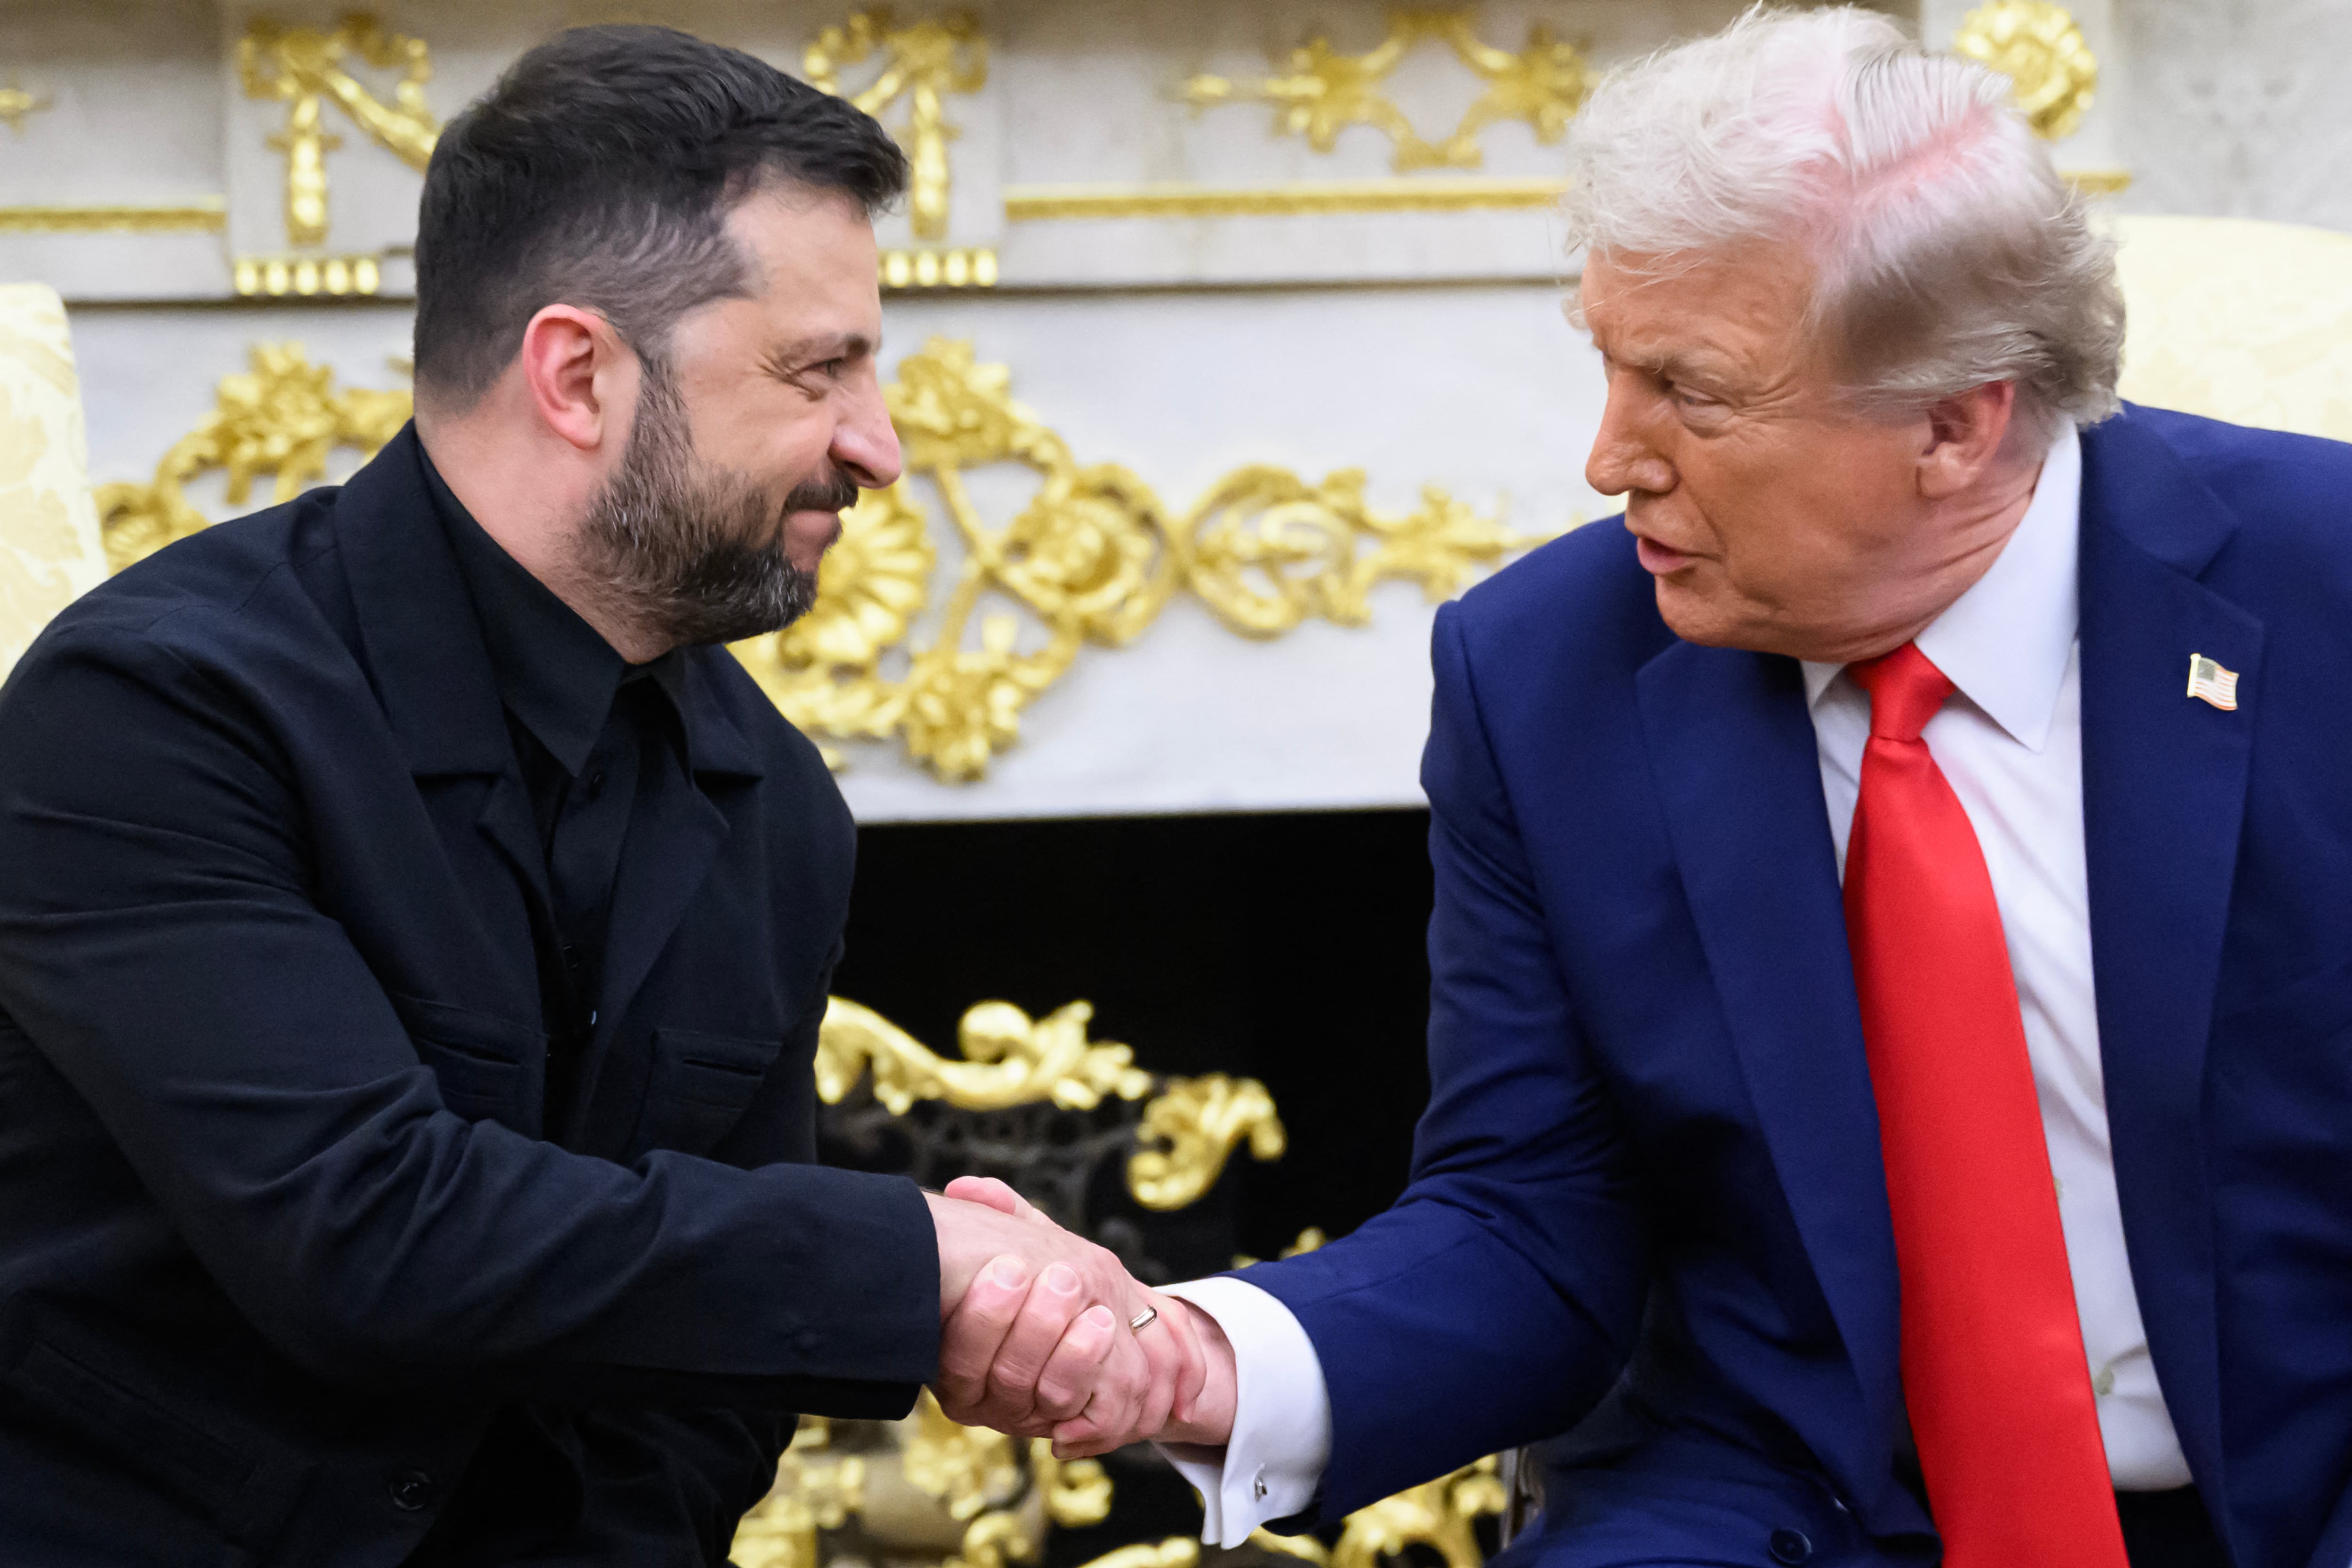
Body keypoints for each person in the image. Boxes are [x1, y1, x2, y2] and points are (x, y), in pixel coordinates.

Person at [972, 8, 2352, 1567]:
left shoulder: (2324, 600)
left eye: (1689, 394)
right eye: (1608, 368)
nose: (1609, 456)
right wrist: (1197, 1354)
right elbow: (1528, 1220)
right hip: (1788, 1516)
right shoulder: (1546, 674)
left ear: (1955, 426)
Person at [0, 26, 1202, 1566]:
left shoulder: (773, 801)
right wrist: (926, 1257)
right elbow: (368, 1235)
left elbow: (703, 1403)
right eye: (815, 368)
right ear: (577, 373)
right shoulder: (160, 706)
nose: (879, 447)